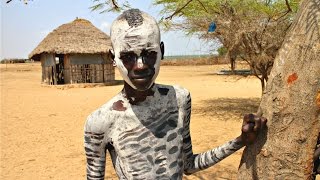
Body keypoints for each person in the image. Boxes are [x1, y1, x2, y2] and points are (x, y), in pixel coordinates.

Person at [84, 9, 267, 180]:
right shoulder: (100, 121)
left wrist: (241, 140)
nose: (140, 65)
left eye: (149, 54)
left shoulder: (179, 99)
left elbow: (188, 164)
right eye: (128, 57)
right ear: (113, 58)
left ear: (161, 51)